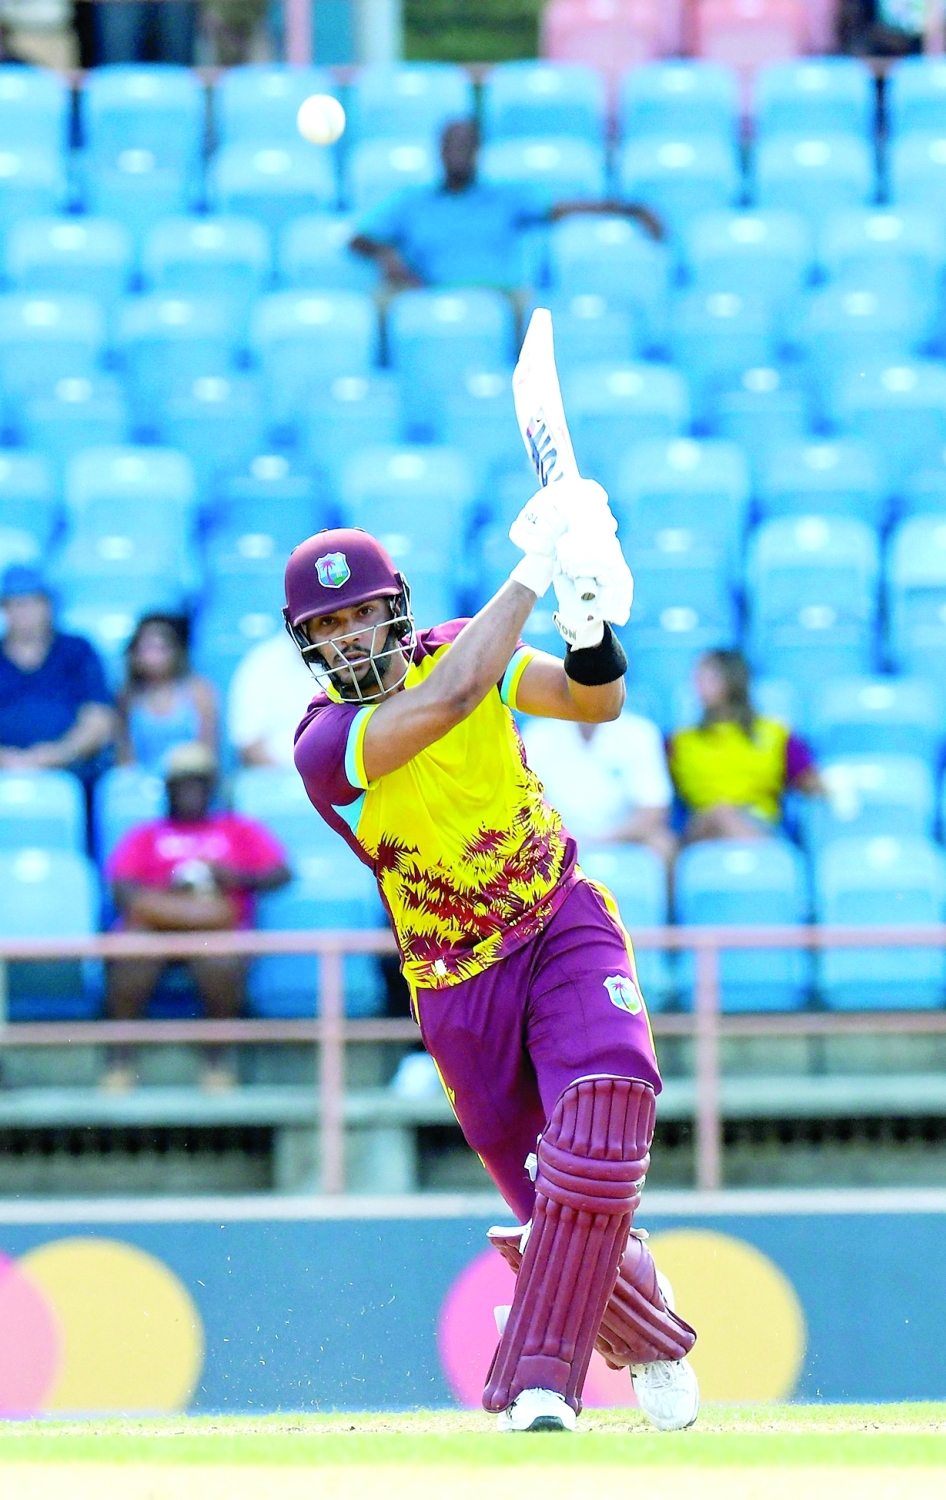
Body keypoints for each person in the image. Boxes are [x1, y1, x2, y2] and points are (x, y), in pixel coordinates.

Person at [285, 487, 698, 1436]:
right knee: (562, 1206)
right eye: (328, 627)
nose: (349, 639)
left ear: (395, 608)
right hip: (457, 990)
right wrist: (534, 564)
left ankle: (536, 1383)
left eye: (360, 615)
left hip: (559, 921)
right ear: (307, 646)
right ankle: (650, 1330)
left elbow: (594, 698)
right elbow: (450, 701)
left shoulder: (461, 642)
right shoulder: (323, 745)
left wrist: (587, 625)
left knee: (604, 1115)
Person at [104, 741, 291, 1093]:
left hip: (216, 925)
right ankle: (120, 1061)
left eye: (199, 783)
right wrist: (166, 894)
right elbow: (121, 888)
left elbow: (281, 874)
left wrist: (233, 876)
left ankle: (217, 1063)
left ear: (212, 787)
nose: (190, 791)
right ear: (169, 788)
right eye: (182, 783)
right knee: (130, 952)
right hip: (157, 924)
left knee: (219, 960)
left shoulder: (237, 830)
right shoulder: (147, 834)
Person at [351, 117, 664, 291]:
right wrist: (385, 253)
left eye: (465, 146)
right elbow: (359, 237)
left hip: (500, 296)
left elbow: (565, 209)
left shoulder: (506, 198)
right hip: (427, 295)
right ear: (439, 151)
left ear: (478, 150)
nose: (457, 154)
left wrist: (630, 209)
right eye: (451, 146)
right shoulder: (412, 202)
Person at [668, 649, 823, 843]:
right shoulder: (680, 741)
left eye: (707, 677)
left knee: (727, 815)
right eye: (697, 677)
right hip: (701, 828)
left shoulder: (775, 734)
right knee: (721, 813)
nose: (697, 684)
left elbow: (811, 783)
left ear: (732, 680)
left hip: (761, 823)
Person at [0, 564, 115, 782]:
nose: (23, 611)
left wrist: (58, 754)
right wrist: (7, 760)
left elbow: (99, 718)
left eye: (32, 602)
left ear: (49, 605)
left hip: (71, 771)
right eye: (15, 604)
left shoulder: (77, 651)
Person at [521, 710, 674, 861]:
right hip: (555, 840)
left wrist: (605, 840)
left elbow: (654, 810)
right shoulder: (538, 733)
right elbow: (527, 804)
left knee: (663, 845)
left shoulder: (639, 732)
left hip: (624, 838)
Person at [117, 613, 218, 773]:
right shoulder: (127, 698)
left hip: (189, 779)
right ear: (134, 655)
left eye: (160, 648)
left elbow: (208, 752)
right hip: (142, 784)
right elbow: (125, 757)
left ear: (174, 651)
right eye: (146, 648)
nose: (152, 656)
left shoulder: (199, 691)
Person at [227, 628, 318, 769]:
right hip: (274, 777)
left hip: (333, 776)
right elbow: (248, 745)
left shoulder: (343, 658)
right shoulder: (261, 663)